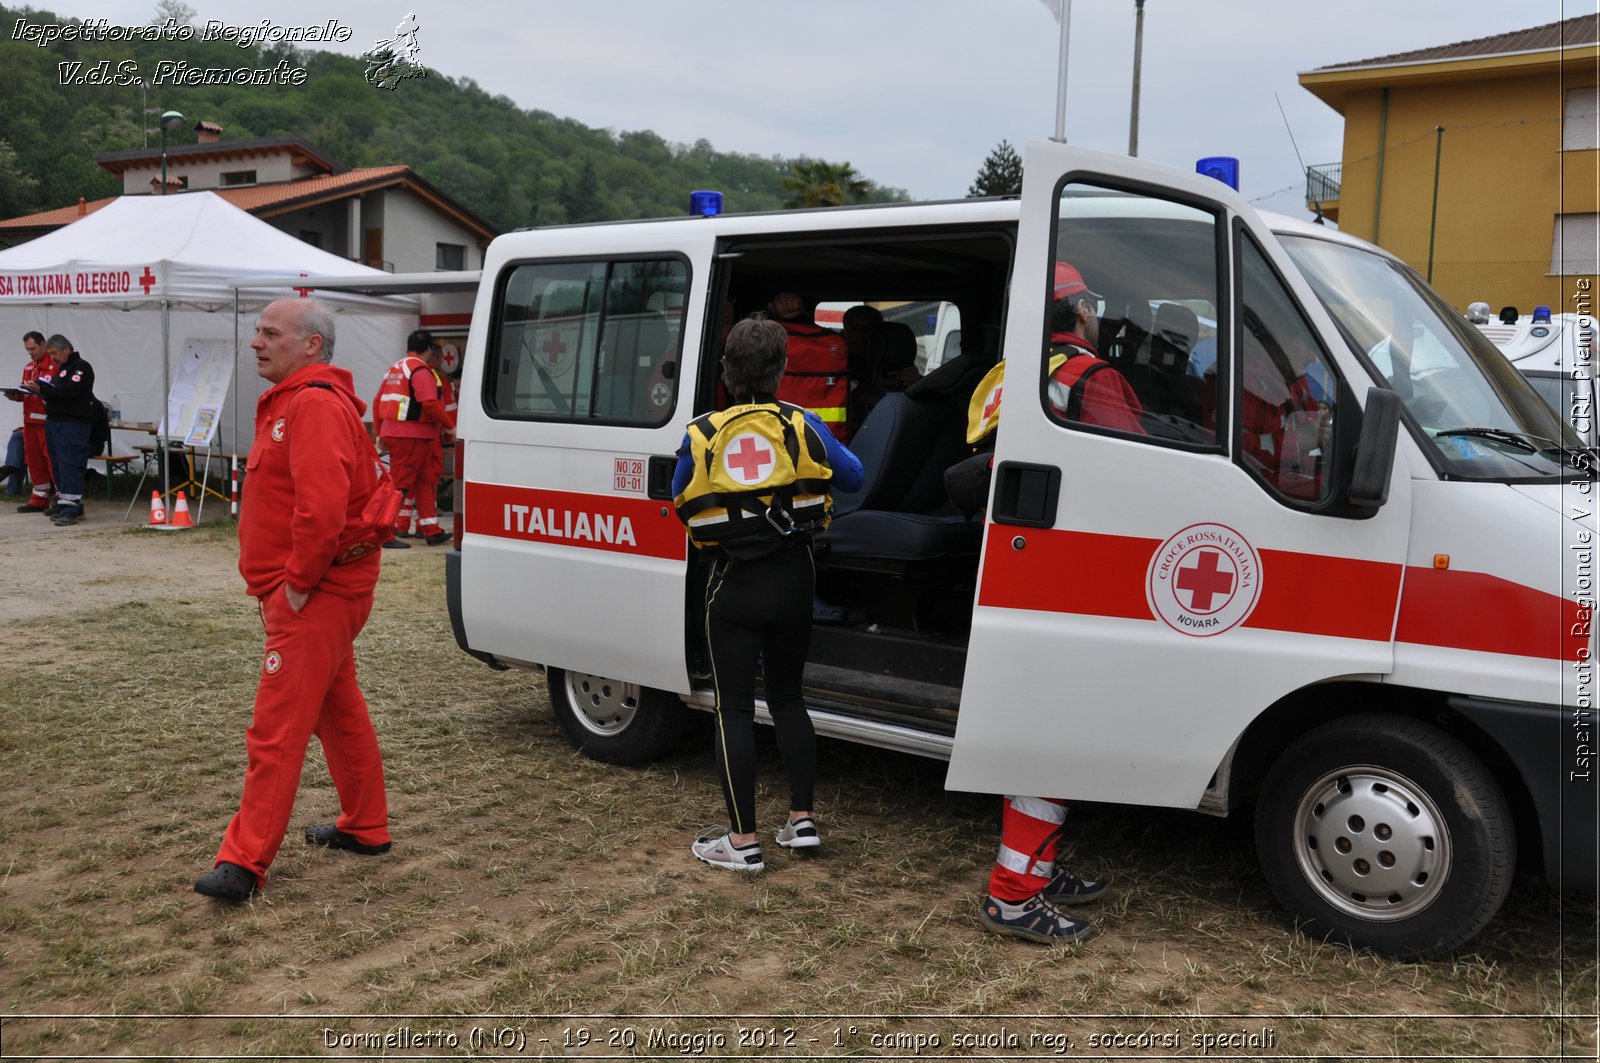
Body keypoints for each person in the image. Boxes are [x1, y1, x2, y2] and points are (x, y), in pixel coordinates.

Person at [195, 298, 393, 903]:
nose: (256, 341)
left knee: (277, 729)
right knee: (338, 710)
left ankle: (243, 862)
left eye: (270, 333)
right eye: (257, 331)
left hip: (318, 593)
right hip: (317, 591)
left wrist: (299, 584)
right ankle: (366, 825)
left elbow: (322, 507)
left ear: (311, 345)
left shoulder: (311, 404)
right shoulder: (297, 401)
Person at [959, 261, 1130, 944]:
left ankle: (1037, 866)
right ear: (1081, 311)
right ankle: (1013, 894)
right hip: (1070, 570)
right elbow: (1138, 482)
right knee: (1048, 738)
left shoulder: (1012, 376)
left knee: (1043, 732)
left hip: (1011, 560)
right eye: (1092, 304)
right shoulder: (1097, 378)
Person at [672, 317, 863, 872]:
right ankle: (801, 821)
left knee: (733, 707)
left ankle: (741, 841)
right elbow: (853, 477)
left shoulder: (701, 431)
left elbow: (677, 492)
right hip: (795, 578)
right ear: (781, 372)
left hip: (732, 582)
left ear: (726, 373)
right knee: (787, 698)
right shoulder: (802, 423)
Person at [372, 330, 455, 547]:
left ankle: (431, 530)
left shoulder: (394, 370)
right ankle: (387, 532)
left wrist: (380, 433)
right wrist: (450, 426)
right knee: (401, 485)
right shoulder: (420, 370)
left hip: (403, 434)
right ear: (428, 349)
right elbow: (429, 403)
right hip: (411, 435)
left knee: (425, 481)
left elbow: (377, 401)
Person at [21, 334, 91, 525]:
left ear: (66, 349)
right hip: (55, 424)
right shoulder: (62, 370)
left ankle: (72, 508)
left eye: (54, 353)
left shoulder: (81, 367)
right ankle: (65, 504)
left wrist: (43, 390)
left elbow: (70, 391)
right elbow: (56, 392)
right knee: (59, 465)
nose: (52, 358)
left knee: (70, 465)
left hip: (72, 425)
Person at [771, 291, 851, 442]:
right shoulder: (839, 349)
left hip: (778, 443)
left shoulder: (765, 348)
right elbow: (852, 465)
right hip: (829, 446)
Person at [8, 331, 57, 513]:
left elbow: (59, 394)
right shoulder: (29, 367)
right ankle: (39, 498)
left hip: (48, 423)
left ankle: (60, 497)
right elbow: (26, 395)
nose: (30, 352)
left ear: (43, 344)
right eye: (27, 349)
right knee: (34, 461)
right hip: (30, 422)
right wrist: (15, 396)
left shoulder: (55, 366)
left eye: (33, 348)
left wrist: (39, 391)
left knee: (52, 461)